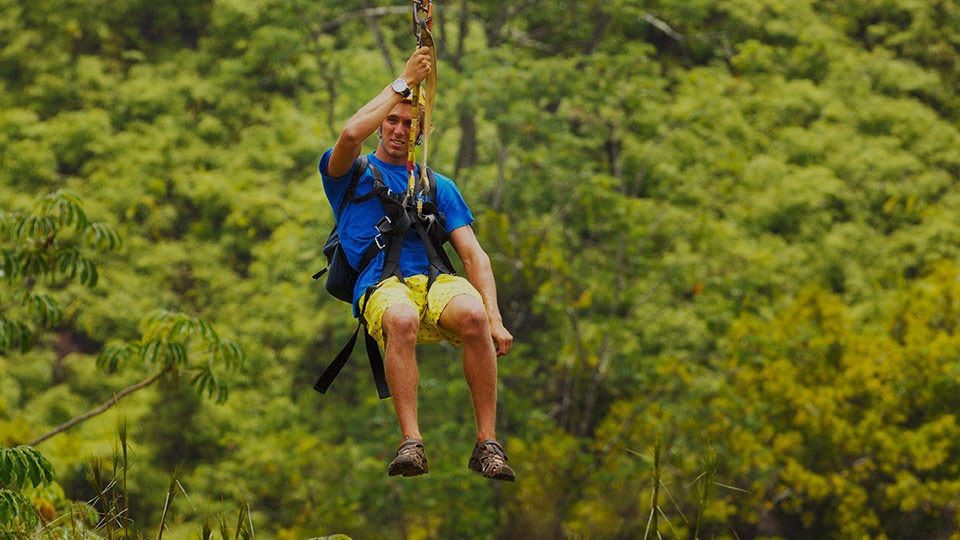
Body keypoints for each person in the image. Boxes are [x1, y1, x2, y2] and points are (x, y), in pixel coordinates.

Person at [318, 47, 517, 482]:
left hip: (432, 279)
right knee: (403, 318)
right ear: (382, 123)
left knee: (473, 315)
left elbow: (473, 254)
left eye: (409, 124)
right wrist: (404, 82)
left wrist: (495, 318)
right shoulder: (350, 174)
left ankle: (488, 443)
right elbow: (350, 134)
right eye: (392, 120)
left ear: (420, 133)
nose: (399, 129)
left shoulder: (435, 184)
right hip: (381, 285)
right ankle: (412, 442)